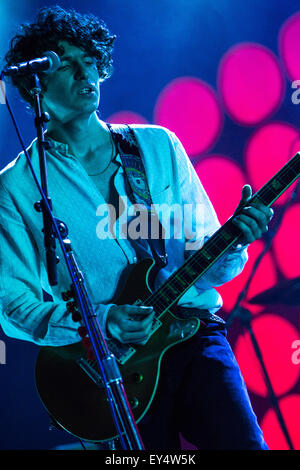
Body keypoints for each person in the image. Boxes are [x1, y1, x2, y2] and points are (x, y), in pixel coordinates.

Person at [0, 6, 273, 450]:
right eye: (63, 63)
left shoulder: (158, 145)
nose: (83, 72)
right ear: (36, 86)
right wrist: (100, 323)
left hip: (193, 333)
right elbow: (12, 304)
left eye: (88, 60)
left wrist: (232, 242)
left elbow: (203, 260)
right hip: (106, 368)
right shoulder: (17, 186)